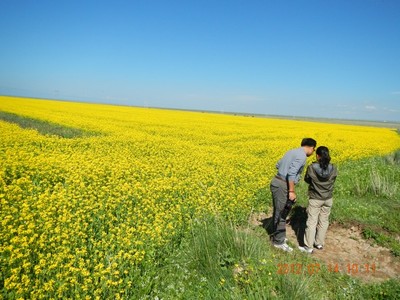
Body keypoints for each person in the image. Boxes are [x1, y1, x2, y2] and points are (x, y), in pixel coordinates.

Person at [270, 138, 317, 252]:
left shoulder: (291, 151)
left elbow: (278, 164)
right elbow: (291, 173)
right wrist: (291, 191)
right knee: (282, 212)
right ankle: (278, 242)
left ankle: (278, 235)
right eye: (314, 149)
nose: (313, 152)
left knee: (280, 211)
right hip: (283, 185)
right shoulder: (302, 156)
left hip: (277, 181)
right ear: (311, 147)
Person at [299, 146, 337, 254]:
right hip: (328, 198)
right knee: (324, 221)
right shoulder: (333, 168)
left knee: (311, 222)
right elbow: (333, 179)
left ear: (318, 156)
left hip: (315, 198)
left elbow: (307, 179)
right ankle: (319, 243)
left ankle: (308, 247)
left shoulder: (312, 167)